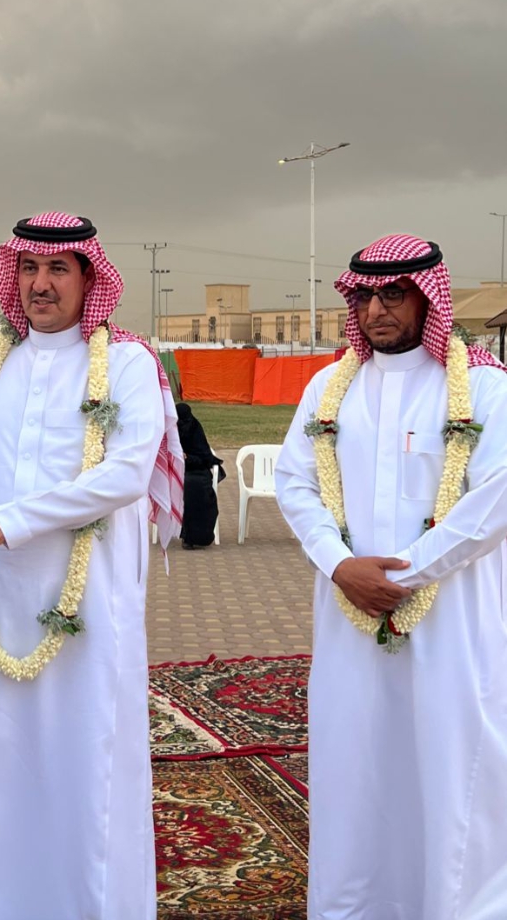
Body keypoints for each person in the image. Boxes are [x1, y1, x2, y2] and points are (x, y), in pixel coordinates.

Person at [0, 213, 184, 920]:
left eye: (58, 268)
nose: (40, 283)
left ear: (89, 278)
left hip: (88, 601)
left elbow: (126, 473)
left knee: (85, 758)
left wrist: (12, 520)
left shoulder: (126, 362)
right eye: (28, 268)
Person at [275, 235, 507, 920]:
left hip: (452, 617)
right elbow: (294, 482)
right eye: (365, 296)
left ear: (429, 299)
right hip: (348, 612)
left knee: (454, 758)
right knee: (354, 761)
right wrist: (338, 563)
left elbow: (495, 497)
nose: (376, 310)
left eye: (394, 294)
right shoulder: (329, 387)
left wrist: (410, 574)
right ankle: (355, 903)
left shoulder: (484, 387)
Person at [176, 400, 224, 548]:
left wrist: (188, 457)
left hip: (198, 469)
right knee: (187, 485)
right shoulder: (171, 430)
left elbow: (204, 458)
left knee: (196, 489)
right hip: (177, 470)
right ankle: (188, 535)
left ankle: (196, 536)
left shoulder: (195, 429)